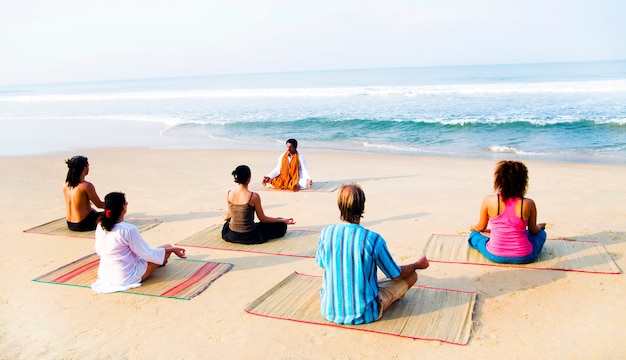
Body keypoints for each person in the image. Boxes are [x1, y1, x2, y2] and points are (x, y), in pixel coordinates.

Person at [315, 183, 429, 325]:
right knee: (411, 275)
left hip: (329, 310)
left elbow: (322, 264)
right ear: (362, 207)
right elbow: (396, 274)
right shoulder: (372, 239)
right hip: (365, 313)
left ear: (340, 206)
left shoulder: (326, 234)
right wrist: (417, 264)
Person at [91, 192, 186, 293]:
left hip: (104, 274)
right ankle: (158, 263)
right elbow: (147, 253)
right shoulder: (128, 229)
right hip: (124, 277)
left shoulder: (100, 225)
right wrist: (171, 249)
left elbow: (99, 251)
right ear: (123, 207)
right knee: (166, 248)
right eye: (125, 202)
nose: (127, 204)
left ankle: (158, 262)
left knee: (162, 251)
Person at [468, 160, 547, 264]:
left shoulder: (489, 200)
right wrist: (540, 226)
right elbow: (533, 231)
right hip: (524, 256)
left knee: (473, 235)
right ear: (523, 181)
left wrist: (473, 228)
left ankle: (493, 236)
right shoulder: (528, 203)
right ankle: (495, 235)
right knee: (541, 234)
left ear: (499, 180)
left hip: (495, 254)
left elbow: (480, 227)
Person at [222, 165, 296, 244]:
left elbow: (229, 214)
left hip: (233, 234)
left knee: (228, 223)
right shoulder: (254, 196)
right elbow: (263, 219)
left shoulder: (229, 194)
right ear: (249, 179)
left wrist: (225, 218)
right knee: (281, 226)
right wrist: (283, 220)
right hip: (249, 235)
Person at [63, 155, 105, 231]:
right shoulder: (86, 186)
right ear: (84, 168)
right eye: (88, 165)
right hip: (83, 224)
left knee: (92, 210)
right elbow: (99, 205)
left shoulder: (65, 185)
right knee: (114, 213)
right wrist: (115, 206)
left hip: (70, 224)